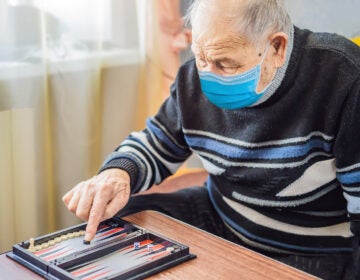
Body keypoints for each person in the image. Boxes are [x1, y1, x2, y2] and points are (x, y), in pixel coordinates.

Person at [63, 0, 360, 279]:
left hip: (311, 245)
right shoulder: (193, 77)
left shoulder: (343, 78)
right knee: (109, 226)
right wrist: (117, 173)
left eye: (226, 64)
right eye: (201, 57)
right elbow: (158, 142)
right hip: (220, 213)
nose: (208, 75)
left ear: (277, 47)